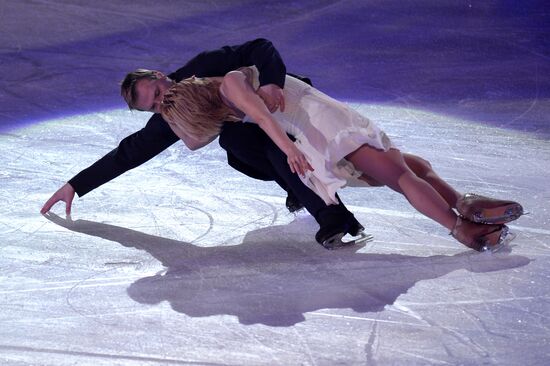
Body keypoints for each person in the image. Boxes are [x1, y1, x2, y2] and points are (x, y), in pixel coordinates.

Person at [155, 66, 524, 252]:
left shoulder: (231, 83)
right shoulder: (223, 105)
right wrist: (173, 112)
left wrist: (290, 151)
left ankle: (462, 214)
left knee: (404, 170)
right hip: (320, 132)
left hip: (320, 129)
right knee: (397, 174)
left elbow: (265, 118)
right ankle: (461, 216)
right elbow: (195, 140)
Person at [40, 39, 365, 249]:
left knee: (260, 142)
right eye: (152, 107)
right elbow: (131, 151)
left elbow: (260, 48)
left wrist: (270, 84)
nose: (160, 103)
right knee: (236, 144)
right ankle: (319, 205)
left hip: (287, 105)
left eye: (156, 94)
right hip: (263, 133)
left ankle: (332, 215)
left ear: (159, 75)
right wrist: (76, 184)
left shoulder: (203, 67)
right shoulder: (171, 114)